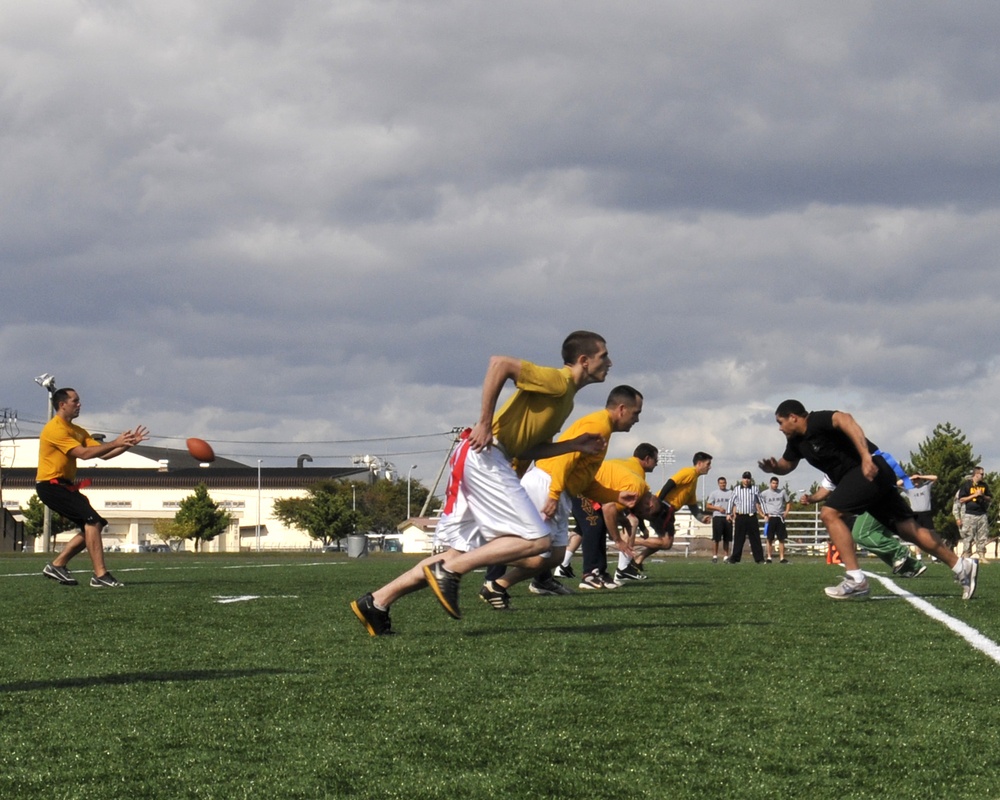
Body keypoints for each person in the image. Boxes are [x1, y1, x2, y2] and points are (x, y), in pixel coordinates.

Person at [350, 331, 612, 636]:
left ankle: (376, 602)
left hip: (486, 457)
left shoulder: (566, 399)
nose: (609, 361)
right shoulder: (559, 381)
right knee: (538, 542)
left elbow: (526, 449)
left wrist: (574, 446)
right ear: (584, 360)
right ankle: (449, 573)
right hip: (484, 455)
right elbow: (499, 364)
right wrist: (484, 423)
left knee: (458, 554)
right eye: (603, 355)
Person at [758, 399, 978, 600]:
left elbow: (847, 420)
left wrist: (865, 457)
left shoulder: (817, 420)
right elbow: (787, 464)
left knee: (829, 513)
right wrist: (775, 468)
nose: (779, 428)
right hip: (868, 479)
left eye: (780, 422)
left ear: (793, 417)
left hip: (868, 470)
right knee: (909, 530)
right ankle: (961, 566)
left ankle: (856, 580)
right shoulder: (796, 442)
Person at [478, 386, 644, 606]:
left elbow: (583, 481)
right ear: (622, 409)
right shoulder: (598, 425)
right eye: (636, 413)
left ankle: (497, 586)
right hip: (547, 484)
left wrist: (614, 495)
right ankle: (476, 554)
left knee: (554, 557)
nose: (637, 419)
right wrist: (554, 495)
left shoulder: (603, 427)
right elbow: (566, 459)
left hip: (556, 487)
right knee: (537, 549)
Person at [37, 388, 149, 588]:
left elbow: (103, 454)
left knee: (95, 523)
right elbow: (84, 454)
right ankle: (100, 575)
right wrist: (116, 441)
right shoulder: (55, 429)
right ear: (62, 404)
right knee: (92, 521)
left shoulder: (78, 431)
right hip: (50, 486)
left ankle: (58, 564)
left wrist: (127, 444)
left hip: (66, 486)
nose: (79, 404)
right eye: (75, 401)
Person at [556, 443, 658, 580]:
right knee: (595, 526)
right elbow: (609, 508)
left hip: (589, 487)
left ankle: (594, 571)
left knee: (594, 526)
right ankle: (596, 573)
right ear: (646, 459)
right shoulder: (637, 483)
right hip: (584, 486)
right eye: (655, 460)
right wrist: (618, 539)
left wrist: (621, 521)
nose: (656, 464)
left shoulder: (629, 465)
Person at [803, 476, 926, 578]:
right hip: (874, 502)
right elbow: (825, 489)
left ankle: (900, 552)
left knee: (861, 534)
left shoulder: (852, 461)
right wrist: (811, 498)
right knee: (874, 538)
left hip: (877, 500)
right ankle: (913, 567)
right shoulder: (832, 471)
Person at [629, 452, 713, 572]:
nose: (710, 467)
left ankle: (638, 560)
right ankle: (629, 541)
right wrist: (658, 503)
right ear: (699, 463)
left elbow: (692, 504)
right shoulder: (689, 472)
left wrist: (701, 518)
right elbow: (671, 483)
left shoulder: (694, 480)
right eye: (708, 464)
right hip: (664, 508)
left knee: (663, 542)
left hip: (668, 510)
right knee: (666, 543)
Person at [727, 471, 765, 564]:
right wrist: (728, 513)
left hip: (751, 516)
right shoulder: (737, 489)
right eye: (745, 478)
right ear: (742, 479)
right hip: (740, 516)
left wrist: (766, 513)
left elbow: (761, 501)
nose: (746, 480)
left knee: (755, 538)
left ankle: (759, 558)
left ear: (750, 479)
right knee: (738, 538)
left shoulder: (755, 489)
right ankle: (735, 558)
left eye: (748, 478)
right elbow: (730, 501)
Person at [958, 467, 992, 561]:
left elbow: (989, 498)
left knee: (983, 535)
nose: (983, 475)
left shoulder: (984, 485)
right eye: (981, 474)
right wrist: (974, 495)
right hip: (970, 514)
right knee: (968, 536)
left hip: (982, 513)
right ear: (976, 474)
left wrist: (983, 495)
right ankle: (966, 555)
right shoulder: (967, 485)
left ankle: (982, 555)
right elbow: (961, 499)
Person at [759, 476, 791, 563]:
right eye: (773, 483)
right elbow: (757, 503)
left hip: (780, 517)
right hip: (770, 517)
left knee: (781, 538)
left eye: (776, 483)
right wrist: (762, 514)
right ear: (770, 483)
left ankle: (782, 558)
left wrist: (786, 512)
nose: (775, 485)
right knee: (769, 538)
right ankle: (769, 557)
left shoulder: (782, 492)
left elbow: (788, 502)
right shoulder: (764, 493)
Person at [705, 476, 733, 563]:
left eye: (724, 483)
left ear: (726, 483)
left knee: (727, 538)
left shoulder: (731, 493)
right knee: (716, 538)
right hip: (717, 517)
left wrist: (732, 514)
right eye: (721, 483)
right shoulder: (714, 493)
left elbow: (734, 504)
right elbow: (708, 506)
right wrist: (718, 508)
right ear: (718, 484)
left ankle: (725, 556)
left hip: (727, 517)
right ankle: (715, 556)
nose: (722, 484)